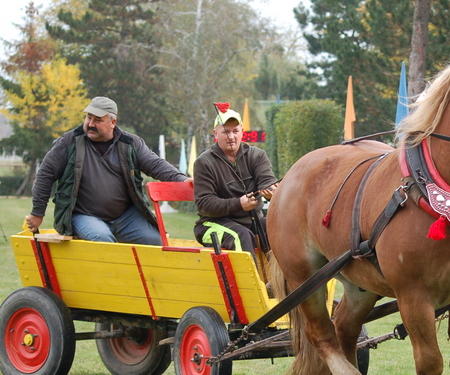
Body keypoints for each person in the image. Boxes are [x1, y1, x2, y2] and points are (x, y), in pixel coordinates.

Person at [26, 96, 190, 245]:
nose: (91, 124)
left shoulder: (131, 143)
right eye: (88, 117)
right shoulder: (69, 142)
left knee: (156, 241)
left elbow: (156, 165)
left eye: (98, 120)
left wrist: (182, 180)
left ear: (113, 122)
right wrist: (37, 212)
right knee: (102, 239)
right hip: (83, 215)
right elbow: (45, 174)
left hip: (126, 217)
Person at [193, 103, 277, 257]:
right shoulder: (204, 162)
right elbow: (204, 204)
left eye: (235, 131)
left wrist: (271, 191)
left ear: (242, 132)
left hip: (252, 221)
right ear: (215, 133)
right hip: (211, 224)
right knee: (241, 235)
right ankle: (249, 275)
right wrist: (239, 204)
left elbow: (267, 180)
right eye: (225, 132)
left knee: (279, 228)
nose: (231, 137)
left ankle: (283, 274)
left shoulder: (257, 155)